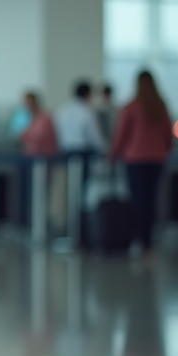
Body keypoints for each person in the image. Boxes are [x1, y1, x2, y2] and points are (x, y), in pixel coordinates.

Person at [109, 71, 173, 258]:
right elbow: (168, 135)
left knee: (137, 200)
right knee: (151, 200)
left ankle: (138, 238)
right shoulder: (160, 106)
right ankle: (148, 242)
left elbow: (121, 135)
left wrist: (113, 154)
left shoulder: (131, 107)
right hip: (156, 159)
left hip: (135, 159)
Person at [54, 80, 105, 247]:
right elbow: (95, 138)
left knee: (69, 193)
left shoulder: (62, 110)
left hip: (66, 154)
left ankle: (70, 230)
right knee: (82, 196)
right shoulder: (87, 112)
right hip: (83, 155)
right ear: (88, 94)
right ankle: (81, 234)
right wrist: (106, 151)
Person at [18, 91, 57, 226]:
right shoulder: (32, 118)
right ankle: (30, 224)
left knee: (40, 195)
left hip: (41, 163)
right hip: (31, 162)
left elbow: (36, 137)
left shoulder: (43, 118)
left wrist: (25, 136)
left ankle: (39, 225)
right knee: (30, 195)